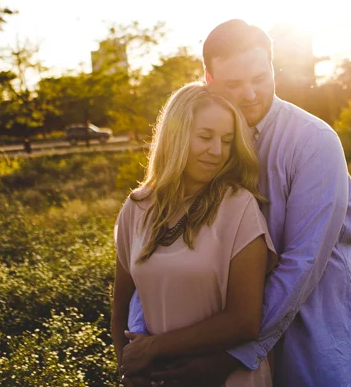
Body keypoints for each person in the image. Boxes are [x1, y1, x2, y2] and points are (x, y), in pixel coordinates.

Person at [132, 19, 351, 387]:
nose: (252, 94)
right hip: (219, 362)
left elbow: (302, 263)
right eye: (234, 84)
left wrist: (231, 354)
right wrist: (147, 341)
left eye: (260, 78)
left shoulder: (314, 143)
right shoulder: (207, 149)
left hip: (310, 357)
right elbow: (159, 248)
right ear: (207, 79)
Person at [112, 82, 278, 387]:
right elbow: (120, 304)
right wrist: (129, 368)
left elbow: (244, 321)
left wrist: (157, 346)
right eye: (205, 137)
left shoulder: (239, 207)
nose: (217, 151)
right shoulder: (137, 208)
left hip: (229, 379)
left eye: (227, 141)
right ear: (175, 135)